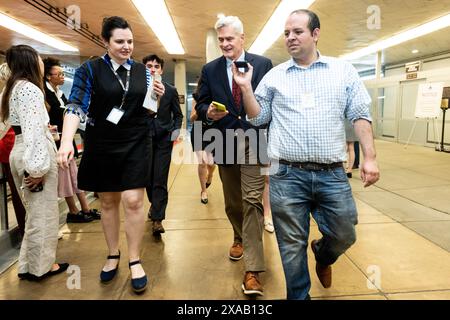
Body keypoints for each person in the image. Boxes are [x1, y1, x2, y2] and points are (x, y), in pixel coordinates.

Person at [233, 9, 380, 300]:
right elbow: (258, 119)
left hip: (332, 174)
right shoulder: (275, 76)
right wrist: (246, 88)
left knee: (344, 233)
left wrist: (370, 157)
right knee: (290, 245)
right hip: (286, 174)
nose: (290, 38)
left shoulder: (343, 71)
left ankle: (323, 254)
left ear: (315, 34)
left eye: (297, 32)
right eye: (286, 33)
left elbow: (360, 115)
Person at [56, 16, 165, 293]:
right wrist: (66, 141)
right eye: (119, 41)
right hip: (102, 141)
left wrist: (158, 97)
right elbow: (75, 106)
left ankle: (135, 258)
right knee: (107, 201)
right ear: (105, 41)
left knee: (133, 200)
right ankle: (113, 253)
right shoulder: (89, 70)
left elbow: (149, 109)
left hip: (136, 139)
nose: (127, 46)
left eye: (130, 41)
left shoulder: (144, 71)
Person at [195, 15, 273, 296]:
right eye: (221, 40)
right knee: (233, 202)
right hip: (224, 140)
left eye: (230, 38)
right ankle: (239, 236)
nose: (225, 44)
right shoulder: (210, 69)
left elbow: (270, 105)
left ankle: (253, 270)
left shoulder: (263, 65)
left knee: (252, 200)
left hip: (255, 138)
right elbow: (201, 103)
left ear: (243, 38)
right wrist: (207, 113)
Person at [0, 45, 69, 280]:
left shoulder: (11, 88)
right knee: (44, 214)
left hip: (18, 152)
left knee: (33, 214)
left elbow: (18, 126)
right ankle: (42, 267)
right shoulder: (30, 89)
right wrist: (38, 169)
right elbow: (34, 134)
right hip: (33, 156)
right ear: (30, 61)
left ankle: (27, 265)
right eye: (39, 59)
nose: (42, 63)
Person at [43, 57, 100, 223]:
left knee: (74, 176)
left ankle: (85, 208)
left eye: (62, 73)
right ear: (48, 76)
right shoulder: (45, 94)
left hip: (65, 139)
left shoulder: (59, 94)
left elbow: (71, 111)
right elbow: (60, 114)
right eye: (58, 73)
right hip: (57, 141)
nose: (62, 76)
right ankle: (74, 211)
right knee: (66, 177)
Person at [142, 54, 183, 236]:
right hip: (144, 140)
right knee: (148, 180)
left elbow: (178, 115)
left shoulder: (171, 90)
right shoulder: (138, 91)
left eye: (156, 66)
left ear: (161, 70)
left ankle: (158, 219)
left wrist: (174, 135)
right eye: (149, 66)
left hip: (164, 141)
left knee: (160, 179)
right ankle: (154, 205)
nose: (153, 69)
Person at [189, 77, 216, 205]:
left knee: (211, 163)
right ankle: (203, 191)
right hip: (199, 129)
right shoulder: (196, 97)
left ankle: (210, 175)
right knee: (202, 162)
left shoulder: (217, 96)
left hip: (214, 130)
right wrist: (202, 111)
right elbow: (192, 118)